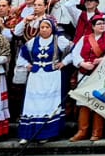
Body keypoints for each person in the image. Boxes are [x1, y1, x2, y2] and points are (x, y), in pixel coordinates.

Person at [15, 16, 70, 144]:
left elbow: (73, 51)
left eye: (47, 27)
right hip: (35, 78)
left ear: (52, 28)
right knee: (32, 105)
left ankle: (46, 134)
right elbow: (21, 56)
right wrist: (26, 65)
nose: (44, 30)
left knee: (48, 105)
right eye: (42, 27)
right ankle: (27, 134)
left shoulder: (59, 40)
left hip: (52, 77)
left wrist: (64, 62)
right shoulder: (33, 41)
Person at [67, 12, 105, 141]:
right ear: (92, 26)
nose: (102, 26)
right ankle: (82, 131)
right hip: (85, 72)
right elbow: (75, 54)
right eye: (99, 24)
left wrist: (103, 59)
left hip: (101, 74)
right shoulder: (84, 38)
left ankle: (97, 132)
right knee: (83, 101)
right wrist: (82, 63)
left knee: (98, 101)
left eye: (103, 23)